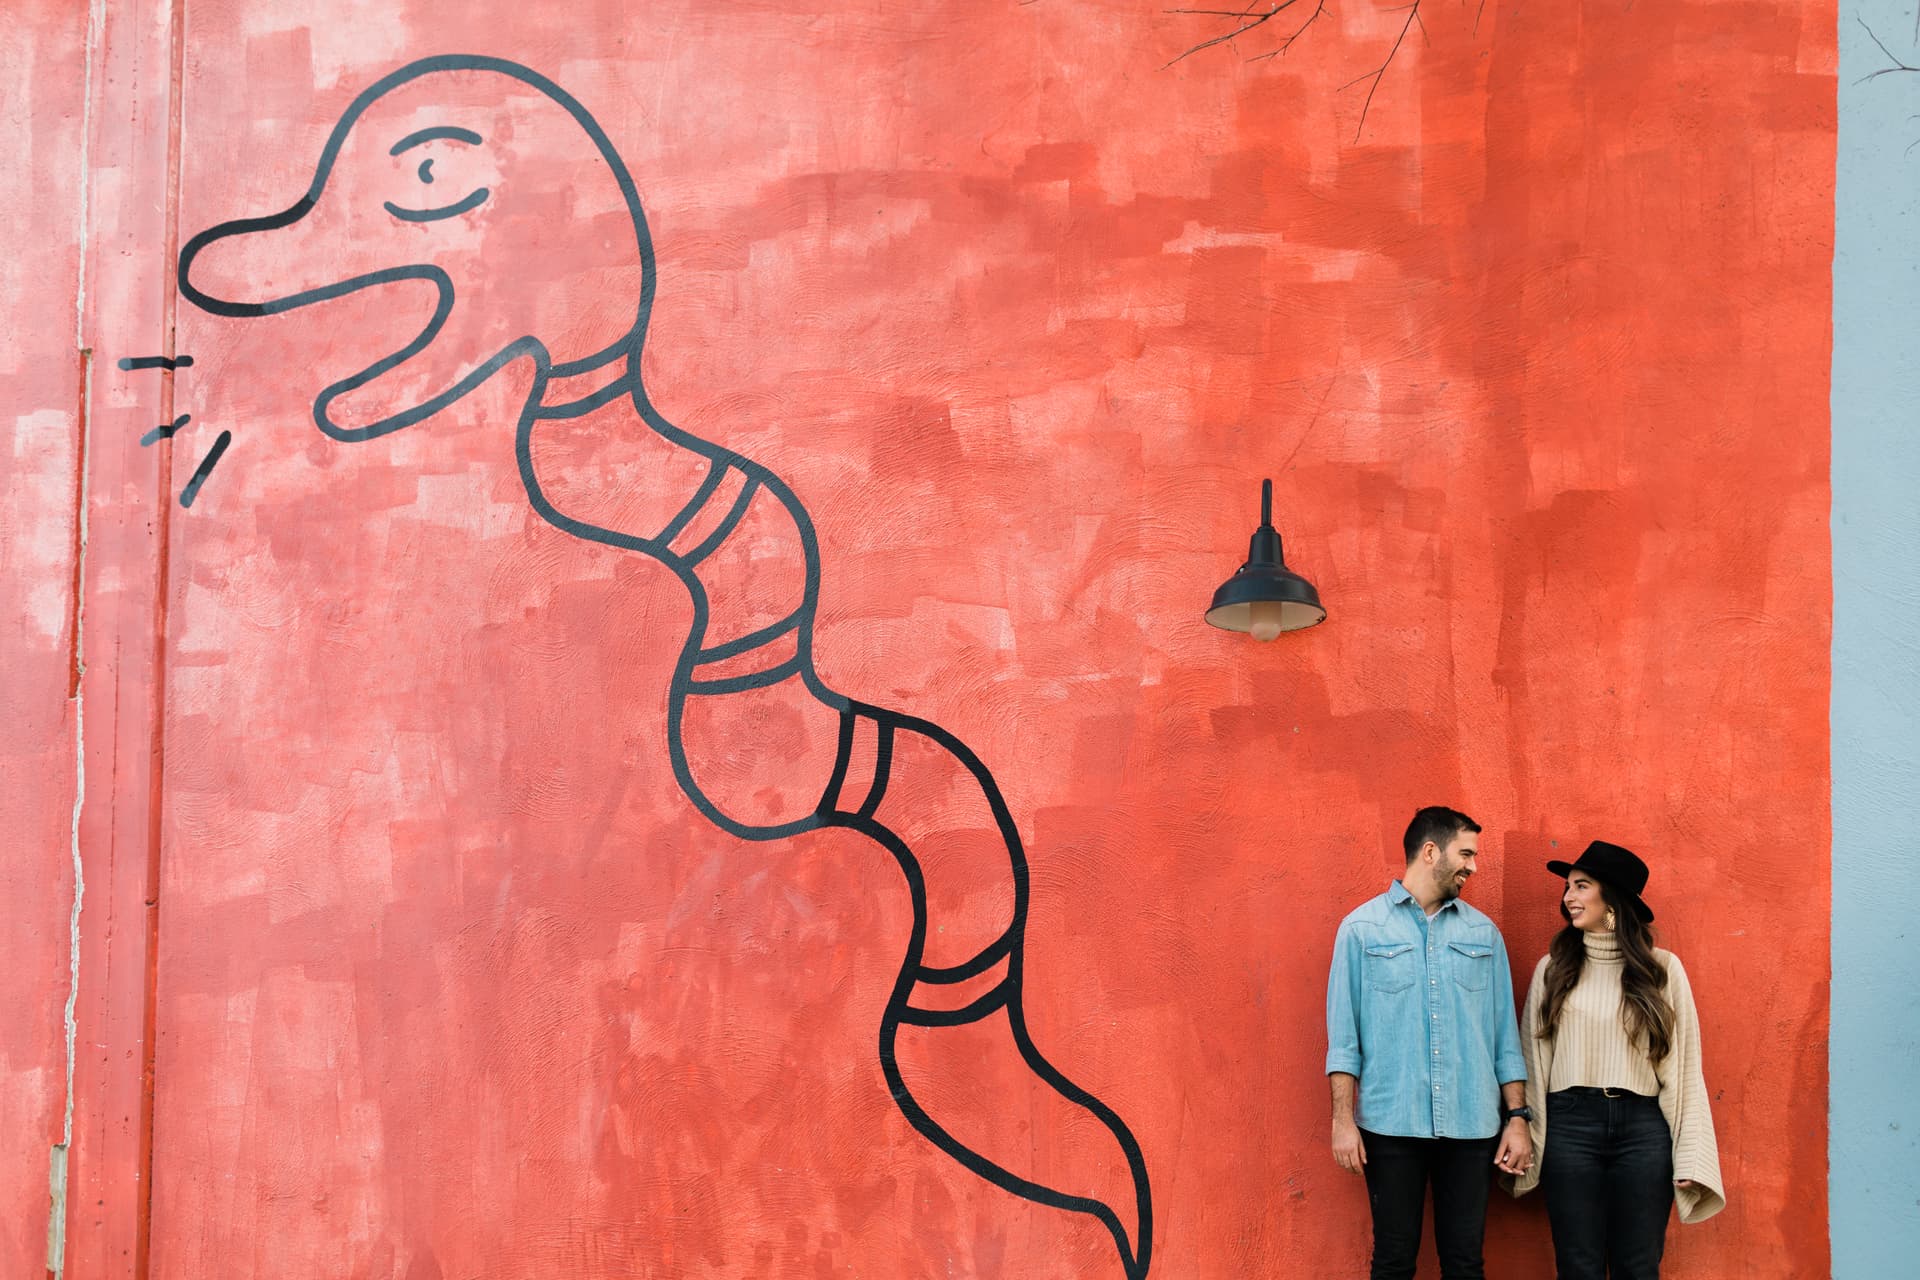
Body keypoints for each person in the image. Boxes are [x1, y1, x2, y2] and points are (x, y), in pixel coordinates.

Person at [1326, 806, 1533, 1279]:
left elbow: (1504, 1040)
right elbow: (1344, 1039)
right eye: (1466, 853)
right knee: (1394, 1261)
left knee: (1465, 1262)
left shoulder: (1483, 934)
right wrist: (1342, 1120)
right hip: (1390, 1124)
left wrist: (1517, 1119)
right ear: (1430, 851)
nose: (1473, 866)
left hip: (1472, 1125)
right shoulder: (1361, 931)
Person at [1509, 840, 1725, 1278]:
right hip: (1570, 1126)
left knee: (1639, 1265)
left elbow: (1684, 1068)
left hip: (1643, 1129)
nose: (1568, 897)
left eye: (1581, 886)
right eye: (1568, 887)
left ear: (1614, 899)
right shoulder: (1553, 969)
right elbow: (1533, 1062)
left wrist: (1691, 1155)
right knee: (1578, 1265)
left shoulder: (1662, 970)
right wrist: (1525, 1131)